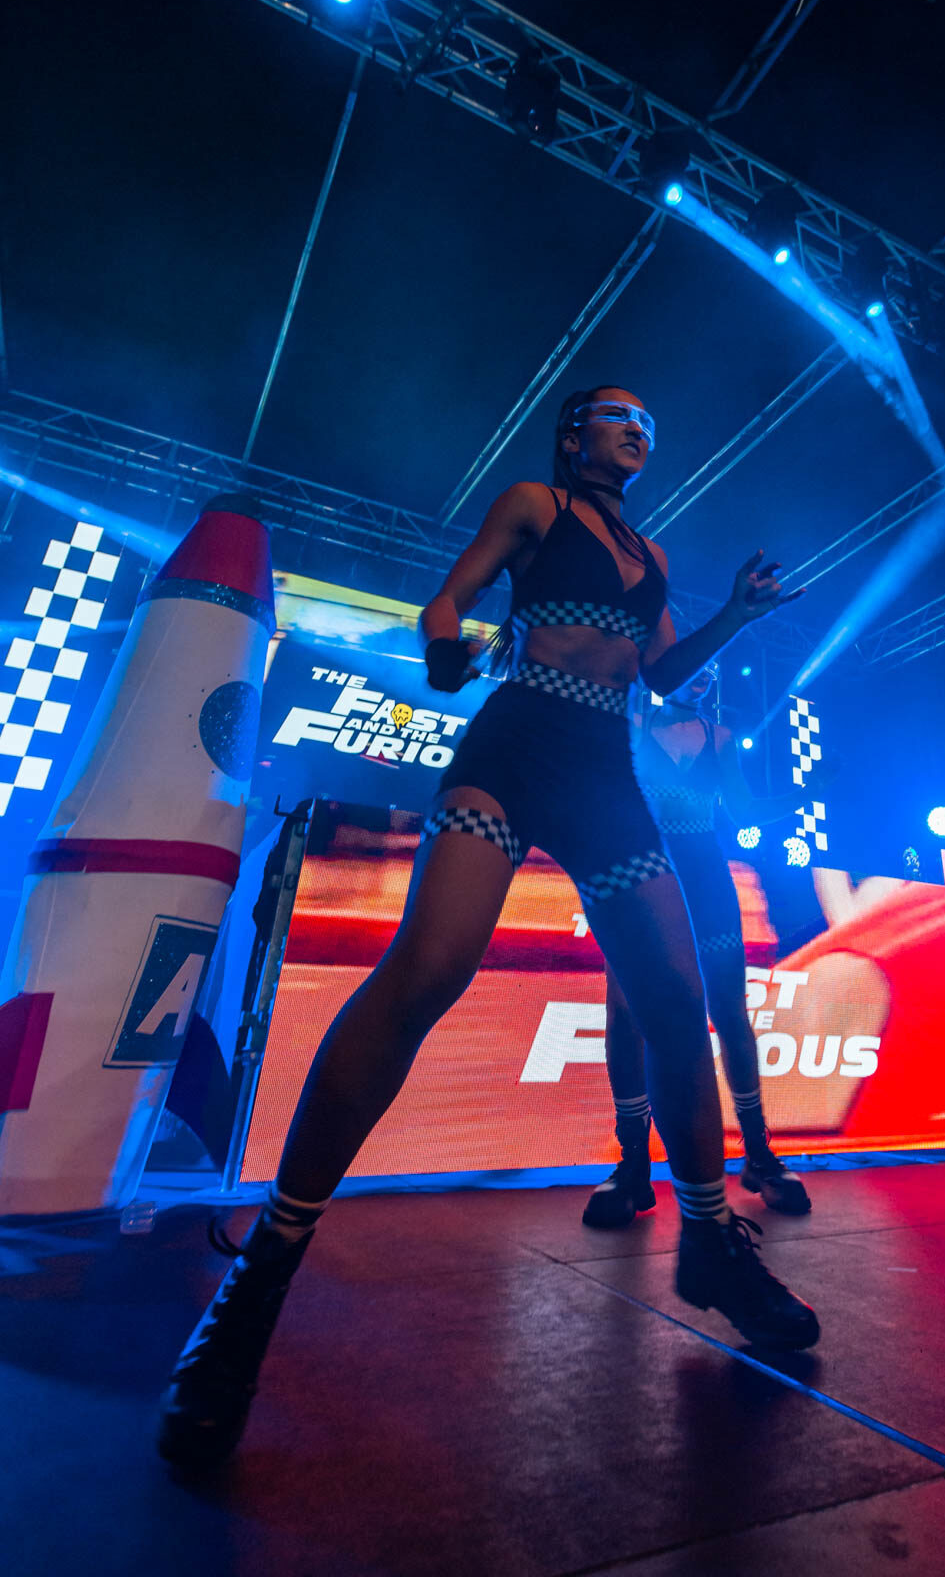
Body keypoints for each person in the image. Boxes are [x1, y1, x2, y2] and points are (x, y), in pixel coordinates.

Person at [158, 386, 820, 1469]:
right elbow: (447, 602)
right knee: (425, 972)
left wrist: (736, 618)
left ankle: (708, 1238)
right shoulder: (532, 504)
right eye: (617, 416)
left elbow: (660, 674)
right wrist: (442, 648)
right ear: (572, 434)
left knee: (676, 1000)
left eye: (649, 424)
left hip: (604, 768)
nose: (637, 430)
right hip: (515, 744)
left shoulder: (651, 554)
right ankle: (263, 1268)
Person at [582, 665, 813, 1229]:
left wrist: (814, 789)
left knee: (729, 1013)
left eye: (710, 670)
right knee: (626, 1014)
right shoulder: (631, 724)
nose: (704, 677)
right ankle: (634, 1164)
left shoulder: (721, 737)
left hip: (706, 882)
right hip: (640, 876)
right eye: (692, 667)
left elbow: (747, 811)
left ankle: (758, 1156)